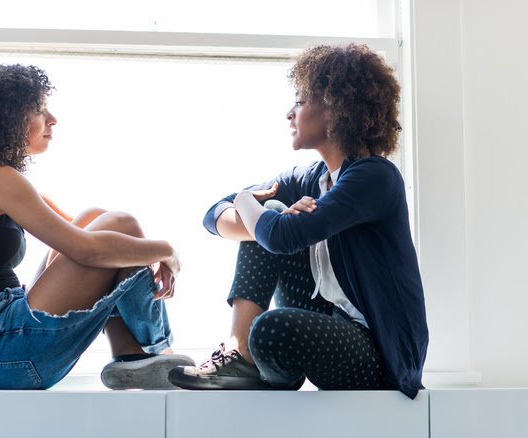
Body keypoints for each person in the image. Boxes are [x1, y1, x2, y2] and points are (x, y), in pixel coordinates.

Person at [168, 44, 428, 399]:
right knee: (270, 213)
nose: (290, 113)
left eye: (301, 102)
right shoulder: (307, 180)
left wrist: (247, 202)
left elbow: (279, 236)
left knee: (271, 323)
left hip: (377, 353)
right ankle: (241, 355)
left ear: (335, 109)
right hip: (326, 326)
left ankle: (260, 356)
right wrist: (261, 216)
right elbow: (213, 214)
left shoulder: (374, 177)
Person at [0, 64, 193, 390]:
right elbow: (86, 249)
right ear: (7, 118)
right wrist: (167, 251)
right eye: (40, 110)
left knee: (94, 218)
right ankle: (158, 349)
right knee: (121, 224)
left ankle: (130, 355)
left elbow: (83, 234)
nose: (52, 119)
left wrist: (139, 255)